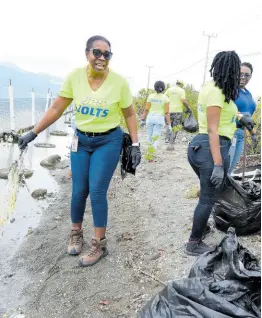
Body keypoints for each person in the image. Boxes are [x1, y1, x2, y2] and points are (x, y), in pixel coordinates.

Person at [18, 35, 141, 267]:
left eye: (107, 54)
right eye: (97, 52)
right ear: (87, 54)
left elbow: (130, 114)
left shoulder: (119, 82)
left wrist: (135, 145)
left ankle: (99, 245)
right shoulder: (75, 77)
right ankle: (76, 233)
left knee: (96, 191)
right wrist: (33, 133)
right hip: (81, 141)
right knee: (78, 191)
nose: (102, 58)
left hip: (109, 141)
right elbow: (56, 108)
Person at [185, 51, 255, 256]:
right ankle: (193, 243)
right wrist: (217, 164)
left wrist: (241, 117)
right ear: (229, 70)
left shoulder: (213, 87)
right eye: (236, 72)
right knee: (208, 197)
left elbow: (225, 112)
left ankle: (201, 226)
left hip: (201, 147)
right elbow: (212, 129)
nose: (238, 76)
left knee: (207, 194)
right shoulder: (217, 92)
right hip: (211, 147)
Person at [228, 62, 258, 174]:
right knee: (225, 167)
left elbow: (248, 117)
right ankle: (213, 191)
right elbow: (225, 110)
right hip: (230, 133)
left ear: (250, 76)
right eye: (240, 74)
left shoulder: (248, 93)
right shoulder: (230, 90)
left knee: (231, 169)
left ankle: (224, 190)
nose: (243, 77)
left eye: (247, 75)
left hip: (241, 134)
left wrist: (252, 133)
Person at [140, 81, 171, 150]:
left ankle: (149, 152)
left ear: (155, 87)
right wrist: (169, 124)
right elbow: (166, 112)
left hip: (150, 118)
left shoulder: (150, 96)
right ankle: (151, 154)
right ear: (163, 88)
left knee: (149, 136)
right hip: (159, 119)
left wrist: (142, 119)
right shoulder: (165, 98)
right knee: (156, 137)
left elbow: (146, 109)